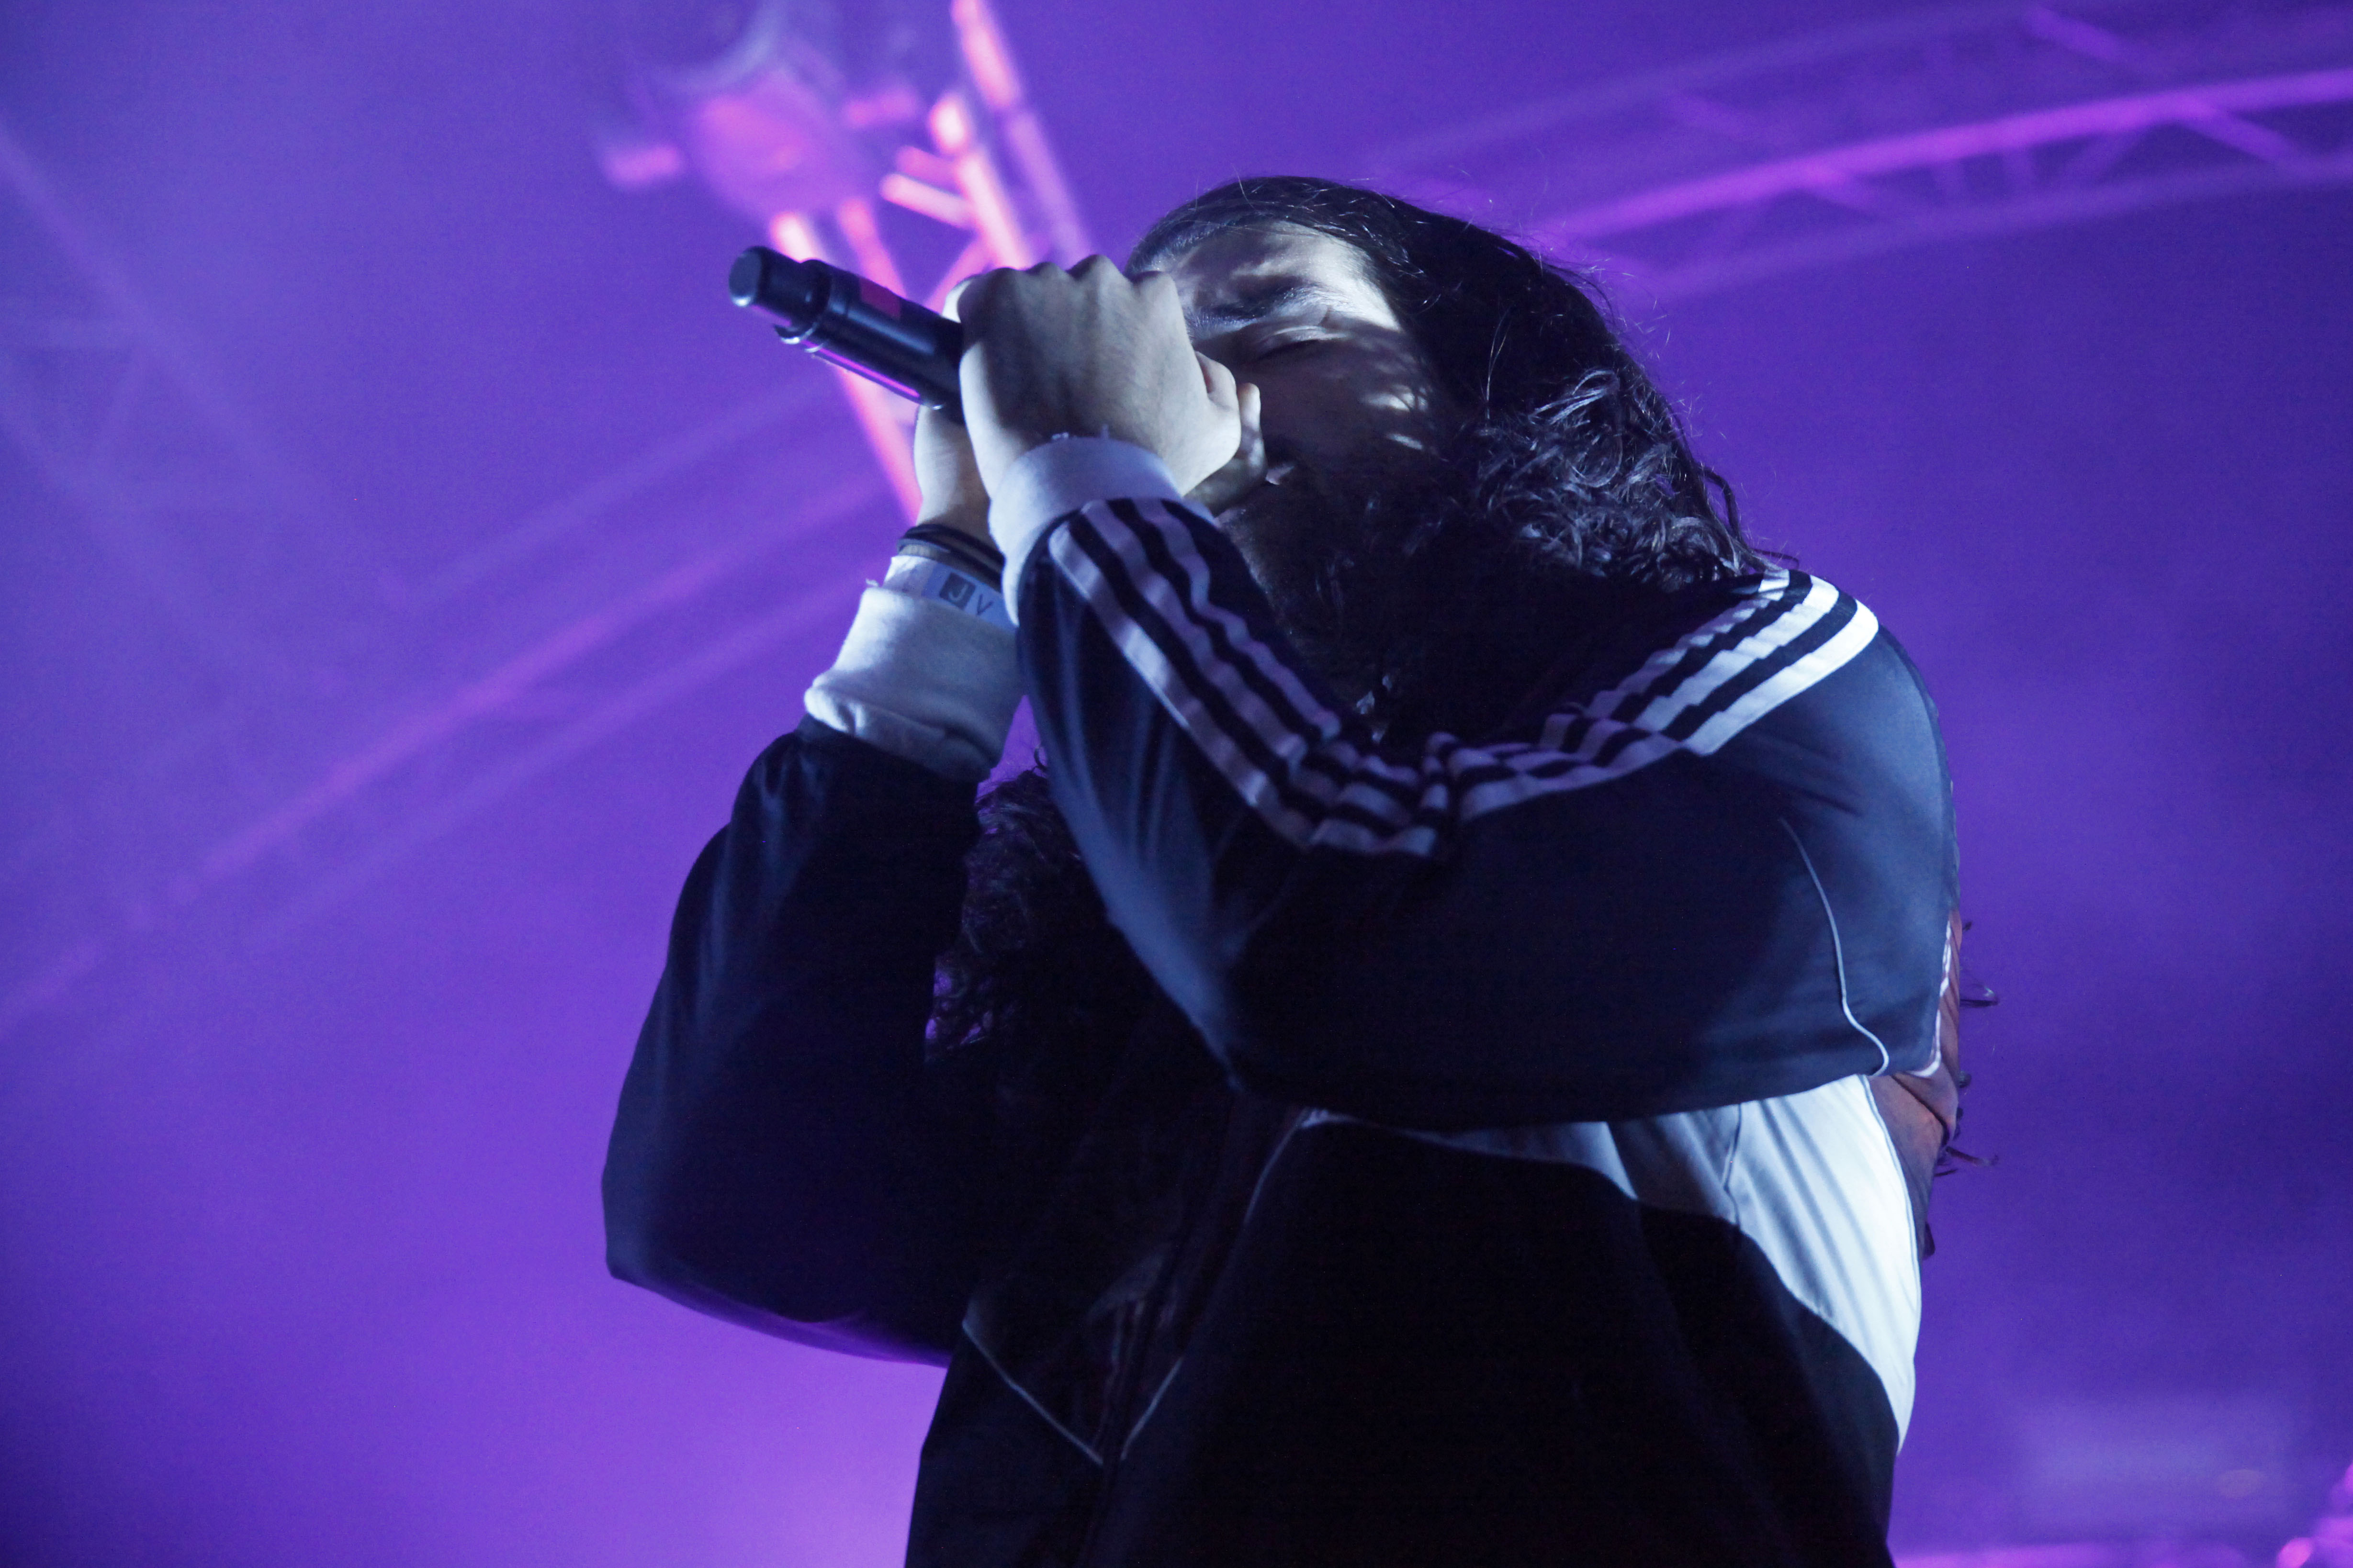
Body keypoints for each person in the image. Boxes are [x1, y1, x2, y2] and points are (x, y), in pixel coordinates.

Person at [604, 177, 1966, 1567]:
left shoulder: (1768, 692)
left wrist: (1086, 463)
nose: (1190, 398)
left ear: (1481, 390)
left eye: (1275, 329)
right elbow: (736, 1210)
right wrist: (957, 561)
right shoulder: (1154, 946)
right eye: (1155, 361)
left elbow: (1320, 939)